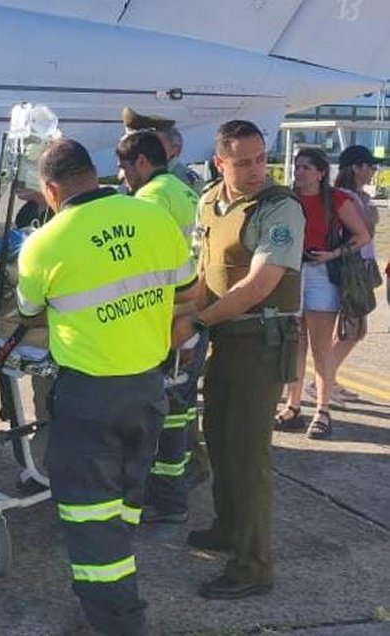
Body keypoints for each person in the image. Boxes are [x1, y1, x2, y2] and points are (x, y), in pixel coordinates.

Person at [18, 139, 195, 634]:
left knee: (91, 522)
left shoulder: (44, 243)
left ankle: (117, 622)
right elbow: (189, 292)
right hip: (147, 389)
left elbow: (29, 313)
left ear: (50, 190)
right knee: (121, 507)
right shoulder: (154, 218)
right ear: (94, 174)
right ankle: (107, 600)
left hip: (89, 398)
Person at [171, 120, 304, 601]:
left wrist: (197, 323)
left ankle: (253, 567)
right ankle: (229, 529)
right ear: (219, 163)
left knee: (248, 456)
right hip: (226, 339)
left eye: (259, 158)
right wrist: (179, 314)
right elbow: (208, 275)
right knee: (220, 441)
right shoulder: (210, 201)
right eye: (242, 162)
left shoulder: (279, 208)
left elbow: (257, 286)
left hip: (261, 343)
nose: (255, 170)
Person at [116, 131, 205, 525]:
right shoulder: (182, 188)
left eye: (124, 167)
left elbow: (140, 259)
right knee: (180, 410)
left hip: (167, 315)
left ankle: (168, 501)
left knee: (164, 413)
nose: (122, 177)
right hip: (191, 306)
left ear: (141, 163)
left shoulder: (150, 198)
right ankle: (178, 490)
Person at [273, 148, 370, 438]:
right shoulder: (287, 199)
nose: (299, 172)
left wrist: (333, 254)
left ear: (320, 172)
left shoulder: (336, 200)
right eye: (297, 166)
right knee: (295, 342)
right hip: (292, 271)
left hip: (321, 273)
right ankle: (293, 405)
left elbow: (362, 235)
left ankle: (322, 409)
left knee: (321, 346)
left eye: (305, 167)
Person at [330, 145, 381, 394]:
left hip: (361, 266)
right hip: (352, 268)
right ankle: (324, 379)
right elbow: (363, 232)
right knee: (353, 329)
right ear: (356, 168)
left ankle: (328, 378)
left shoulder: (358, 196)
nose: (373, 170)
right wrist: (370, 214)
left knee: (349, 328)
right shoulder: (345, 197)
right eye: (369, 165)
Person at [121, 107, 203, 193]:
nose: (143, 150)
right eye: (136, 146)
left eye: (153, 145)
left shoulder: (184, 182)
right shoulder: (130, 174)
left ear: (175, 148)